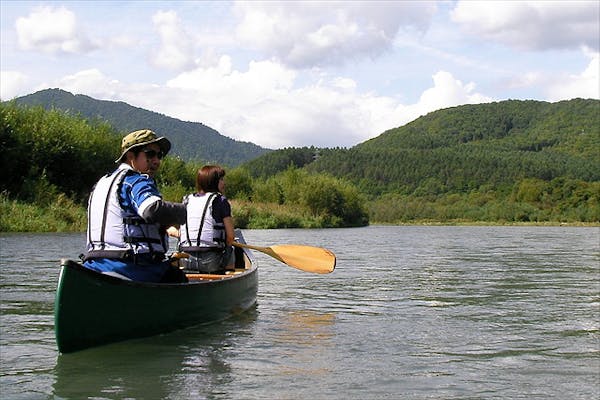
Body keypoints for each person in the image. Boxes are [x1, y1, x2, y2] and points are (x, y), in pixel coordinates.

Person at [82, 129, 188, 283]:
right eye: (150, 154)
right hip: (133, 268)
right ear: (131, 156)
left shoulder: (100, 183)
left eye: (159, 155)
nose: (157, 161)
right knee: (177, 277)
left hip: (94, 266)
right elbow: (151, 210)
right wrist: (187, 212)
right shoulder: (136, 180)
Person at [172, 165, 235, 274]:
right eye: (221, 179)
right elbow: (230, 236)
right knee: (232, 248)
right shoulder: (221, 201)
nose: (224, 183)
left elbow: (182, 232)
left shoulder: (186, 200)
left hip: (185, 259)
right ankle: (229, 275)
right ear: (213, 181)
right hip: (210, 262)